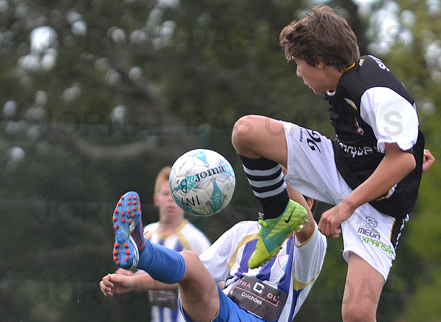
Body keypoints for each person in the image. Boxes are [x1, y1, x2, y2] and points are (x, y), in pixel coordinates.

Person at [230, 5, 433, 321]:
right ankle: (278, 216)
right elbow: (398, 137)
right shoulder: (341, 77)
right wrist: (410, 144)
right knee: (246, 132)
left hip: (380, 207)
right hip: (339, 164)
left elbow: (402, 160)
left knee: (356, 314)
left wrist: (346, 206)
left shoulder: (373, 90)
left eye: (299, 65)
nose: (298, 73)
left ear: (320, 63)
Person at [100, 183, 327, 322]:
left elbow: (305, 224)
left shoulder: (311, 245)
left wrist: (279, 164)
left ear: (308, 202)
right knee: (190, 261)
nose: (275, 200)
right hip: (222, 310)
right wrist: (132, 283)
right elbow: (187, 273)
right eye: (273, 194)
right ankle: (142, 251)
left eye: (283, 194)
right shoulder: (244, 231)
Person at [113, 166, 211, 322]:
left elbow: (213, 283)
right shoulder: (146, 235)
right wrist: (129, 277)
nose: (171, 199)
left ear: (186, 200)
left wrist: (133, 282)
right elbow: (148, 277)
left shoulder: (195, 239)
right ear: (156, 200)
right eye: (166, 194)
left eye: (177, 195)